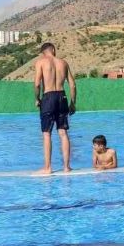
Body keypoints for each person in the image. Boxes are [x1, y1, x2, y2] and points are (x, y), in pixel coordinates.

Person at [34, 42, 76, 174]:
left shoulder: (41, 62)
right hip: (62, 96)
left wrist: (37, 98)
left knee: (47, 133)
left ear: (44, 52)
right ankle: (66, 167)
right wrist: (73, 103)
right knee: (63, 132)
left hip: (48, 97)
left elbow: (37, 84)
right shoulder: (63, 63)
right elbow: (72, 85)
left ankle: (47, 167)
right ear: (53, 49)